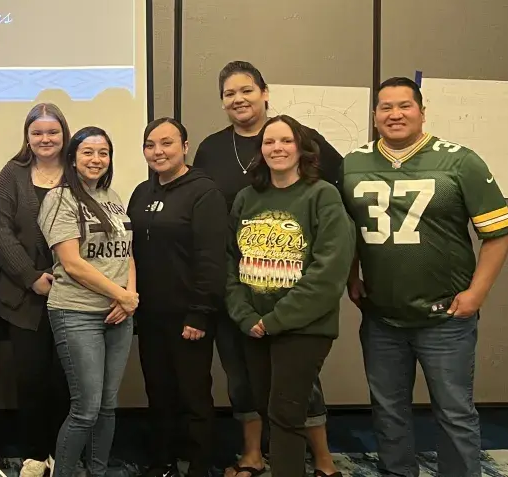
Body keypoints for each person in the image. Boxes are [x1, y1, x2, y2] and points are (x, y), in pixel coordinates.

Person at [342, 77, 508, 477]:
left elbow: (499, 233)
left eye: (405, 105)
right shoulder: (352, 164)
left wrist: (476, 294)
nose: (395, 114)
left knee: (454, 412)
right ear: (375, 115)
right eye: (385, 107)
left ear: (422, 111)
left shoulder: (461, 161)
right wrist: (352, 275)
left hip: (445, 316)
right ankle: (397, 471)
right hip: (382, 316)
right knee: (388, 409)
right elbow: (343, 229)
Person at [192, 61, 342, 477]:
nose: (238, 99)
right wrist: (241, 308)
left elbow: (338, 211)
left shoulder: (313, 172)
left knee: (295, 392)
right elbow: (219, 236)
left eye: (247, 90)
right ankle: (253, 454)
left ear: (265, 93)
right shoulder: (213, 153)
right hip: (242, 295)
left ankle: (323, 459)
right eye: (229, 93)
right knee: (247, 384)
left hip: (298, 304)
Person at [226, 115, 353, 477]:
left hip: (303, 328)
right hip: (255, 327)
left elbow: (329, 272)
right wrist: (246, 316)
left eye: (286, 141)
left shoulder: (322, 195)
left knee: (286, 413)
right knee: (269, 411)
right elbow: (230, 261)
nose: (277, 148)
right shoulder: (246, 198)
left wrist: (276, 320)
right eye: (269, 142)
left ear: (301, 148)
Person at [127, 118, 227, 477]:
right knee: (159, 392)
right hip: (150, 315)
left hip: (189, 316)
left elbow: (212, 259)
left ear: (185, 147)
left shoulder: (204, 193)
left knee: (193, 395)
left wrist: (199, 313)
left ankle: (199, 465)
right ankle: (162, 461)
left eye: (167, 143)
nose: (158, 152)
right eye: (150, 145)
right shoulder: (141, 192)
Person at [38, 126, 137, 477]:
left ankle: (97, 472)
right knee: (86, 408)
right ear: (73, 158)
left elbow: (127, 253)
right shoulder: (59, 199)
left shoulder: (113, 195)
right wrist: (121, 295)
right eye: (88, 152)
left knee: (108, 406)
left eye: (103, 153)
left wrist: (129, 298)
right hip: (77, 313)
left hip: (119, 313)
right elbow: (72, 264)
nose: (96, 159)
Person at [0, 103, 72, 477]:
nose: (45, 139)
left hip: (74, 295)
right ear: (27, 136)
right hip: (23, 299)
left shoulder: (77, 171)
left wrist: (65, 276)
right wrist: (31, 276)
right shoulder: (12, 174)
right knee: (32, 380)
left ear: (64, 134)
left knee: (67, 381)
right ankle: (35, 455)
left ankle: (62, 453)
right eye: (37, 132)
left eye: (52, 132)